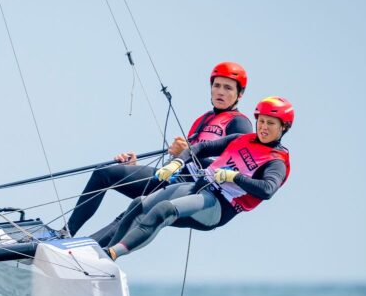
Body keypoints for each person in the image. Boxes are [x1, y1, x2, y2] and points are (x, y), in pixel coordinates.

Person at [66, 62, 253, 240]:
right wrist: (134, 167)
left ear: (240, 94)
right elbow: (186, 159)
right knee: (104, 173)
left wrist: (189, 152)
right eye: (217, 85)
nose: (220, 91)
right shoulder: (202, 120)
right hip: (176, 178)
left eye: (228, 88)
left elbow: (236, 172)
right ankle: (67, 234)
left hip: (200, 193)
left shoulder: (240, 123)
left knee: (136, 212)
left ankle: (85, 252)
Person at [98, 96, 293, 260]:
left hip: (218, 205)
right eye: (261, 121)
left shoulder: (276, 161)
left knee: (164, 210)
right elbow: (200, 148)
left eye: (271, 123)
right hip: (198, 187)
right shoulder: (242, 139)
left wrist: (234, 177)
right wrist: (177, 163)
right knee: (139, 204)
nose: (264, 127)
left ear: (283, 127)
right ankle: (103, 258)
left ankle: (113, 254)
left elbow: (267, 189)